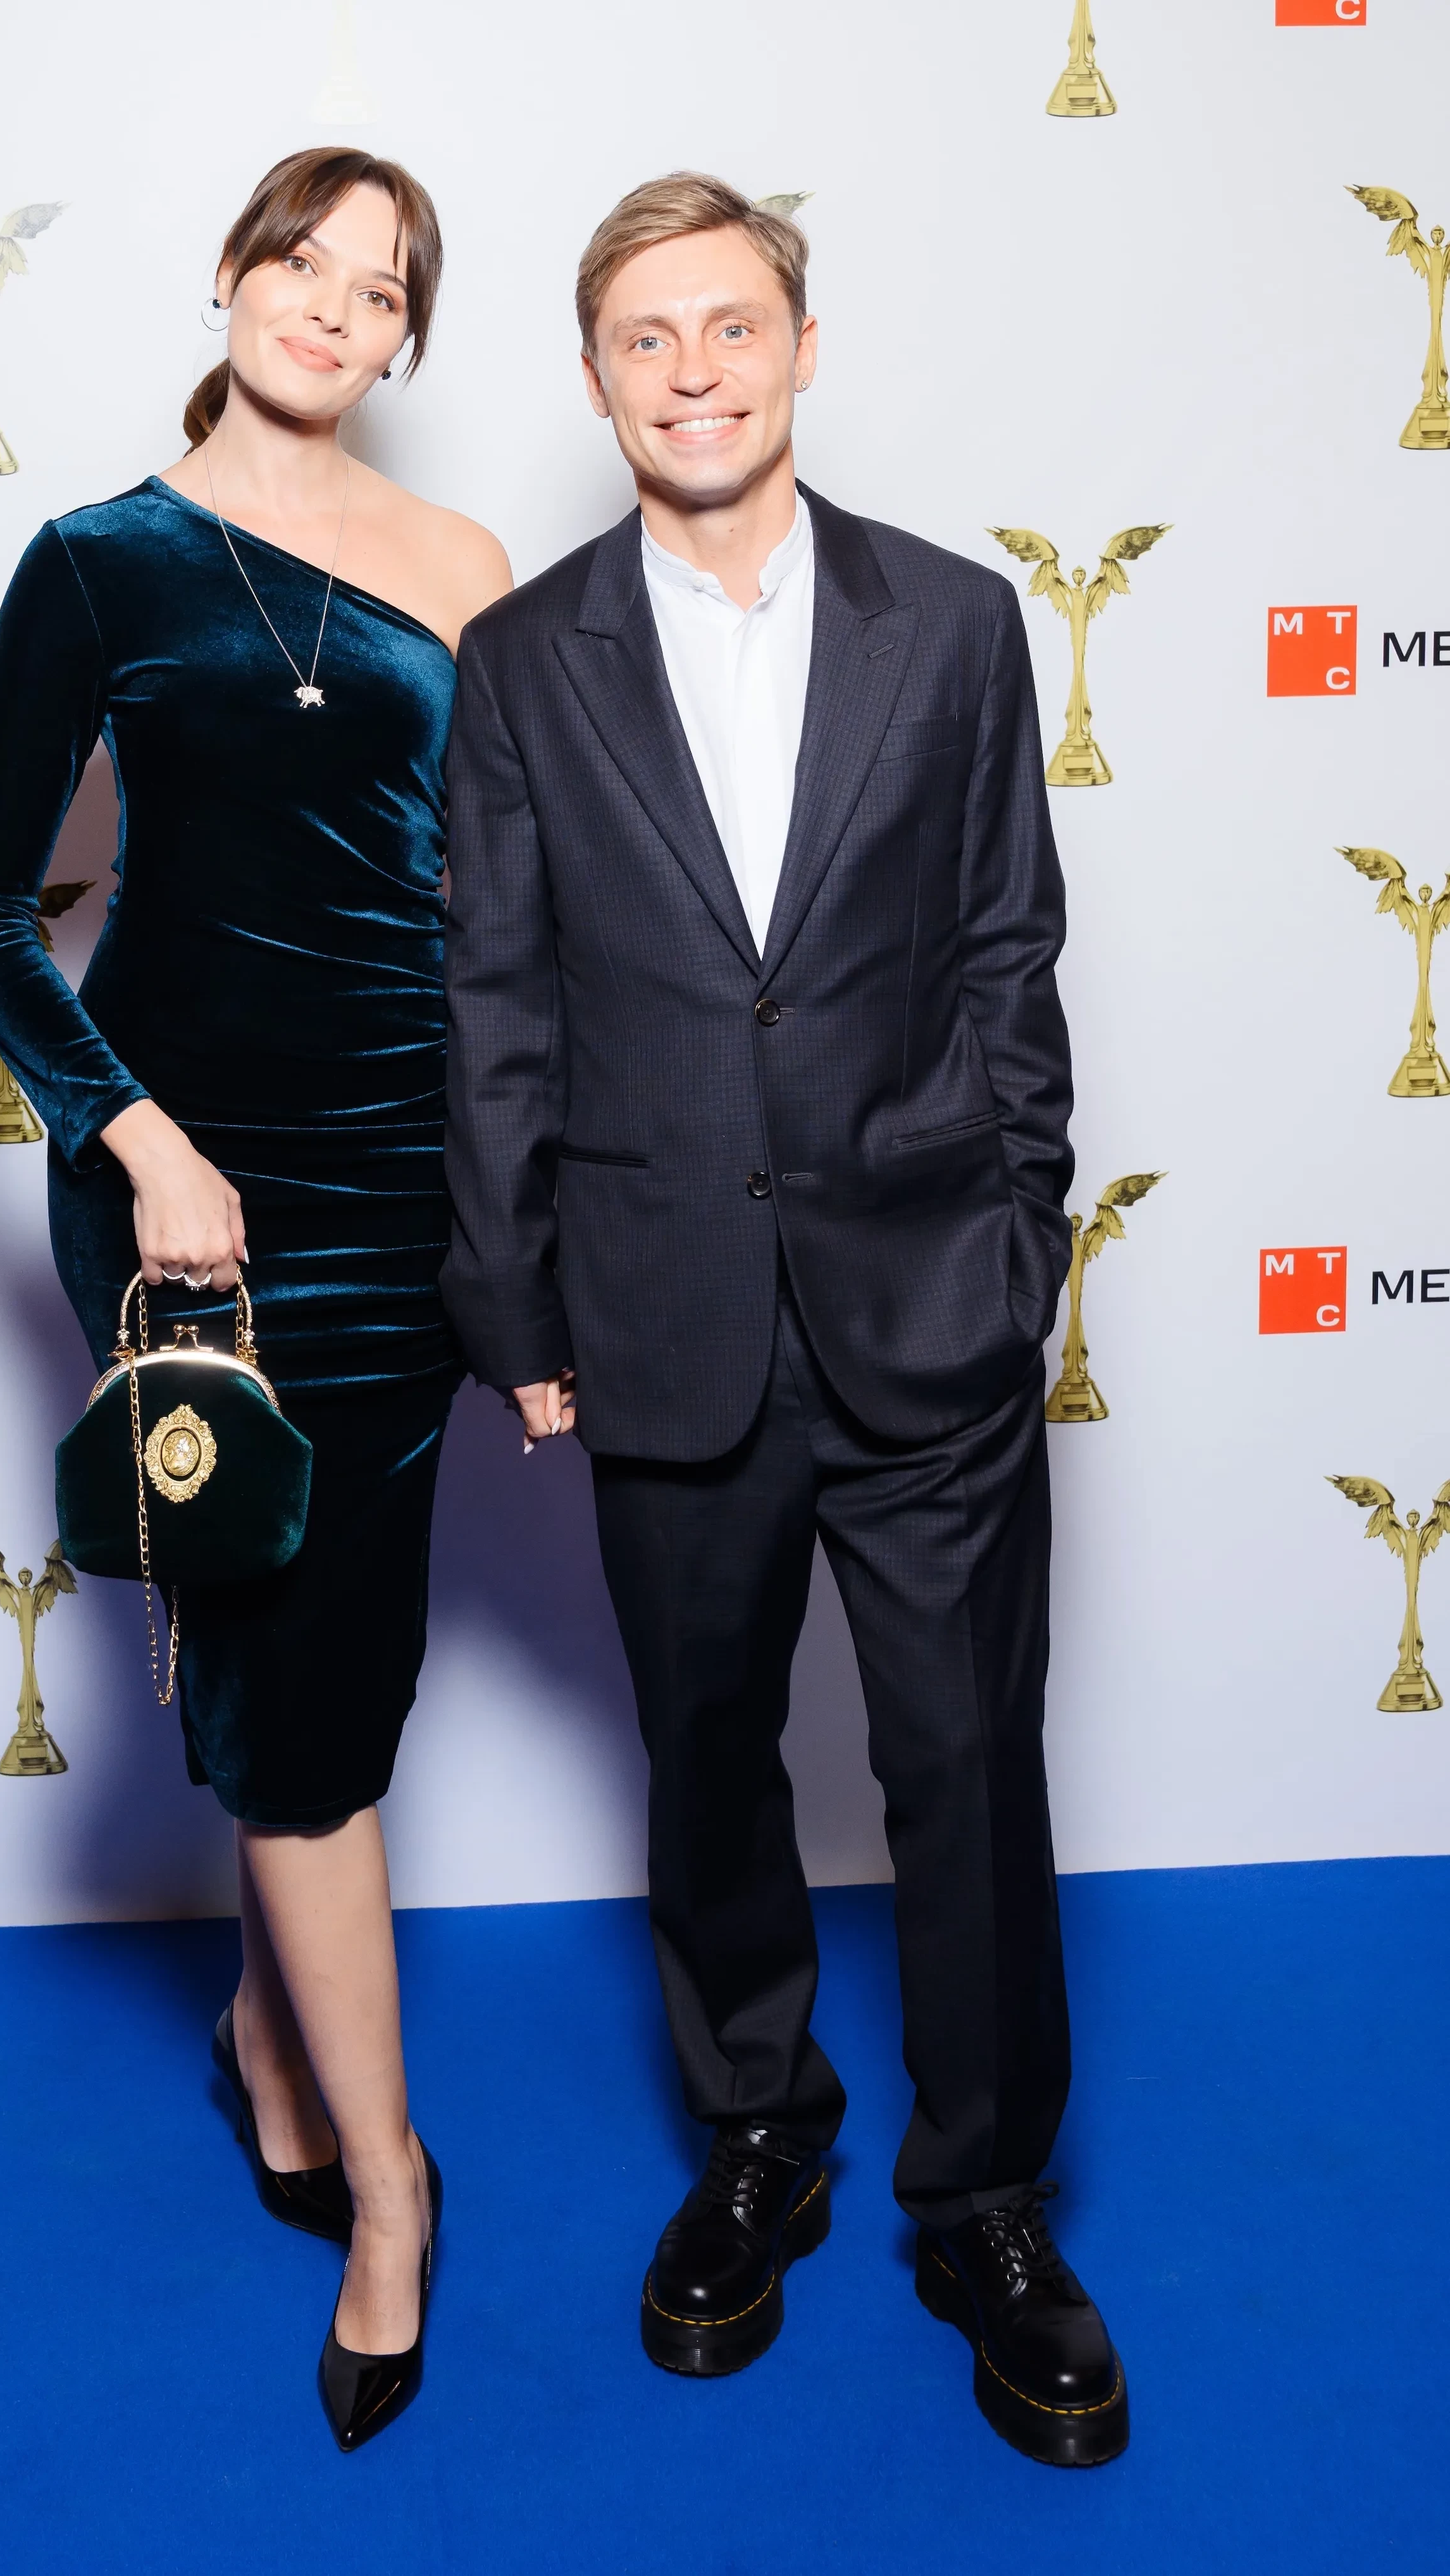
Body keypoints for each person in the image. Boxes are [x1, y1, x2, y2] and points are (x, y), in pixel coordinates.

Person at [441, 172, 1127, 2467]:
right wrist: (515, 1292)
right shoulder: (524, 661)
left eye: (731, 324)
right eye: (646, 337)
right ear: (596, 379)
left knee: (968, 1766)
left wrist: (1020, 1234)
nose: (696, 370)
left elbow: (1010, 949)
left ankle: (989, 2198)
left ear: (804, 347)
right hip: (660, 1312)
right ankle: (762, 2130)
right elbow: (498, 1000)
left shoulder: (959, 622)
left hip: (931, 1301)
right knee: (709, 1756)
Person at [0, 147, 510, 2452]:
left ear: (404, 341)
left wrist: (539, 1226)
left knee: (338, 1660)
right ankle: (391, 2191)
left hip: (407, 1192)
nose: (332, 308)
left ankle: (271, 2038)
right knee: (287, 1697)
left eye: (381, 290)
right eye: (305, 261)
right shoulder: (99, 562)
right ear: (234, 275)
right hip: (187, 1201)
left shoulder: (464, 565)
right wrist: (139, 1139)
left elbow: (508, 924)